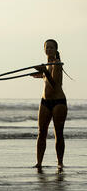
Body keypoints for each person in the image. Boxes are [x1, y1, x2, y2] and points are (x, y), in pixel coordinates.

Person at [31, 39, 67, 172]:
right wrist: (40, 74)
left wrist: (44, 72)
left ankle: (60, 163)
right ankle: (39, 163)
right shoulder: (46, 64)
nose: (49, 50)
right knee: (41, 132)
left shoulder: (57, 64)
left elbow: (55, 84)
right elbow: (47, 77)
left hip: (58, 102)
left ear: (56, 50)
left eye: (52, 48)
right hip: (45, 101)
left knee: (58, 133)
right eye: (47, 48)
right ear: (44, 49)